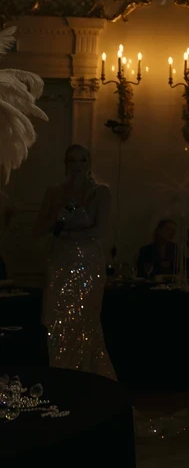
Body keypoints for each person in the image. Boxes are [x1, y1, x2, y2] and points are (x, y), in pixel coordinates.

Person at [34, 143, 115, 378]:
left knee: (85, 322)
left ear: (89, 163)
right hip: (60, 262)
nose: (77, 165)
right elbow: (38, 229)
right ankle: (60, 377)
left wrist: (67, 234)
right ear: (65, 164)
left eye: (82, 160)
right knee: (57, 320)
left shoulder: (100, 192)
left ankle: (88, 380)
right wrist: (56, 217)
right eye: (72, 160)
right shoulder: (54, 192)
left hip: (88, 263)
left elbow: (99, 230)